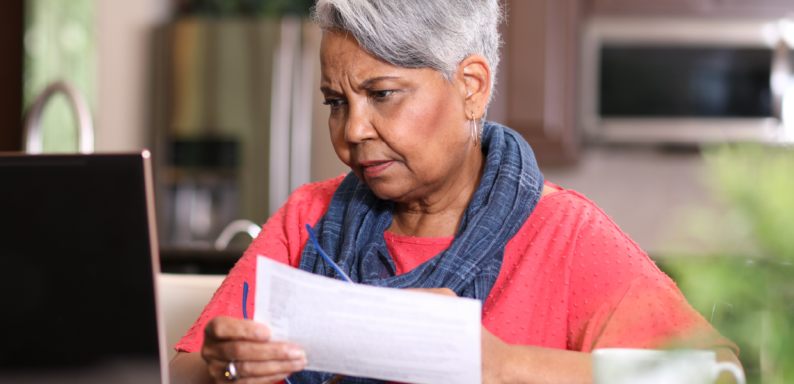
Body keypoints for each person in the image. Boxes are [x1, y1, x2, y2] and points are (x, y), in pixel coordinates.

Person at [169, 0, 740, 383]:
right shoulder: (307, 219)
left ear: (471, 87)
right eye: (336, 102)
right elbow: (193, 366)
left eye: (383, 94)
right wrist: (225, 367)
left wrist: (497, 365)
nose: (353, 130)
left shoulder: (565, 237)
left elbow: (715, 374)